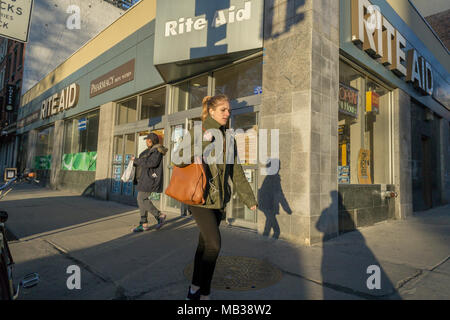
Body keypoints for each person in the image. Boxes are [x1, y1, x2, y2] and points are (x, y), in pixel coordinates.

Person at [174, 94, 257, 300]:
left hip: (219, 201)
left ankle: (196, 287)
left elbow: (235, 170)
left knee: (204, 245)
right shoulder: (198, 132)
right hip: (200, 198)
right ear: (211, 111)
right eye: (223, 110)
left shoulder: (229, 138)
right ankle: (203, 291)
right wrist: (203, 143)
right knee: (214, 244)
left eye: (229, 110)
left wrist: (249, 198)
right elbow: (177, 159)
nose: (227, 114)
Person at [131, 132, 168, 232]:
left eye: (148, 140)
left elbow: (152, 163)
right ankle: (144, 223)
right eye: (146, 140)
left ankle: (159, 215)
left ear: (153, 141)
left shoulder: (156, 151)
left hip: (150, 179)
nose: (147, 142)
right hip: (145, 179)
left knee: (141, 198)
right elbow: (144, 162)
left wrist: (137, 160)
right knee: (141, 199)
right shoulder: (149, 151)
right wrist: (135, 162)